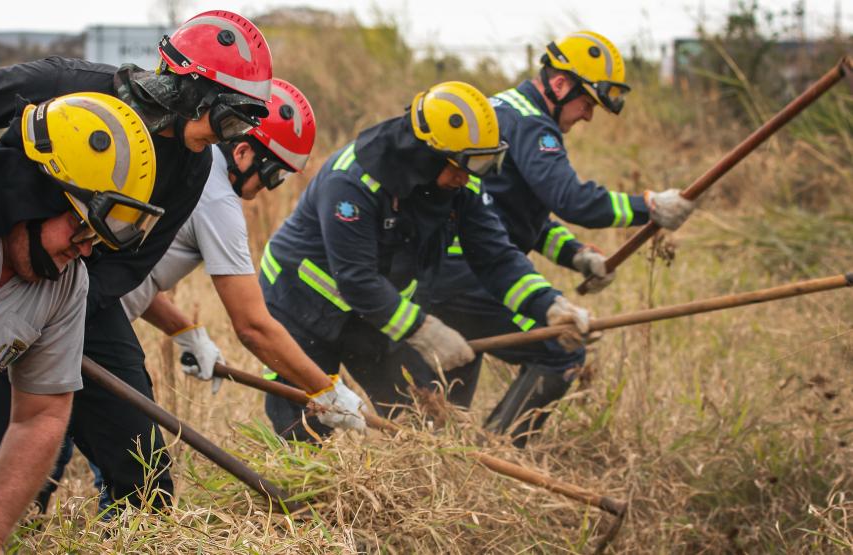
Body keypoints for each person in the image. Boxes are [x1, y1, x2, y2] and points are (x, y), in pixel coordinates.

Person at [0, 11, 273, 545]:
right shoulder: (69, 87)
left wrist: (49, 315)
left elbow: (129, 264)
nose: (228, 138)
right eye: (229, 120)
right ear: (191, 90)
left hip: (77, 291)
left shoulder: (190, 169)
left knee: (143, 476)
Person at [258, 80, 593, 440]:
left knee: (419, 424)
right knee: (305, 430)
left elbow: (495, 257)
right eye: (462, 166)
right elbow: (356, 279)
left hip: (371, 314)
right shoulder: (352, 181)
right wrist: (424, 331)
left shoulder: (459, 183)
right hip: (299, 309)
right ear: (426, 154)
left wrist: (548, 306)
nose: (467, 177)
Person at [417, 31, 696, 446]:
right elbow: (573, 201)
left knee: (453, 383)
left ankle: (433, 464)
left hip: (449, 269)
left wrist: (577, 255)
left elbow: (514, 212)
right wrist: (648, 206)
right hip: (470, 274)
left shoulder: (504, 111)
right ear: (561, 84)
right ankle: (499, 456)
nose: (587, 116)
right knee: (561, 350)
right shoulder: (533, 125)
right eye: (587, 103)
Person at [0, 93, 161, 553]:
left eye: (95, 240)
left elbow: (41, 414)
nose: (84, 251)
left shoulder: (63, 286)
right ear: (35, 193)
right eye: (80, 228)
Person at [119, 78, 365, 431]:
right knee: (136, 462)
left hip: (90, 311)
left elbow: (134, 275)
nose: (270, 186)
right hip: (91, 323)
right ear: (243, 152)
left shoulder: (187, 163)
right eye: (274, 173)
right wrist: (327, 390)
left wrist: (184, 331)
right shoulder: (218, 199)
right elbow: (253, 327)